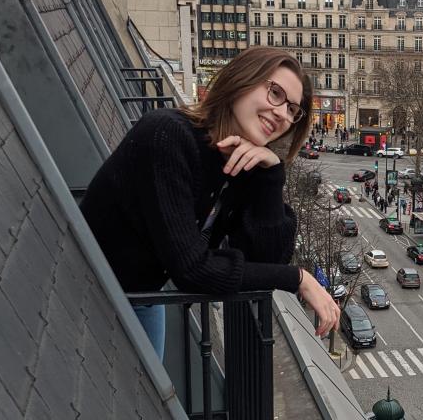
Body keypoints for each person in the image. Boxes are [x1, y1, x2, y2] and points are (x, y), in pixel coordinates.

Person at [80, 47, 340, 360]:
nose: (282, 114)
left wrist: (270, 175)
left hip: (142, 296)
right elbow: (192, 269)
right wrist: (298, 279)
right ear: (240, 81)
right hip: (87, 289)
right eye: (275, 93)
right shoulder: (167, 135)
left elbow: (268, 257)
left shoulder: (241, 164)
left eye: (292, 109)